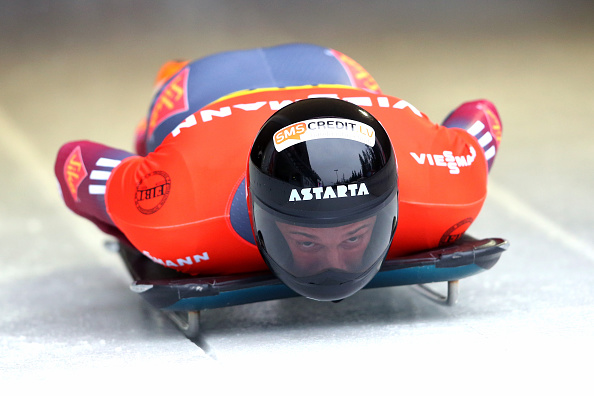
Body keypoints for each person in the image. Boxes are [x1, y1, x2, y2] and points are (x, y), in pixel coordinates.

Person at [54, 43, 502, 301]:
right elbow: (481, 113)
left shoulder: (447, 184)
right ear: (259, 214)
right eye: (307, 241)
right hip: (199, 90)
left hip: (335, 74)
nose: (334, 267)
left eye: (353, 236)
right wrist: (130, 212)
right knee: (149, 148)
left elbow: (74, 160)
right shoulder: (176, 212)